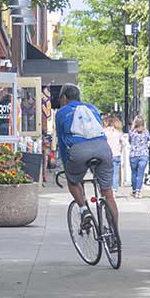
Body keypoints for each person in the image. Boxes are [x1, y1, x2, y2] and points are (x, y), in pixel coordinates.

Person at [55, 85, 119, 236]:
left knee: (73, 181)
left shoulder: (61, 112)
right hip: (103, 148)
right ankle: (114, 234)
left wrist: (67, 167)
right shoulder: (92, 108)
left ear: (64, 98)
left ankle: (84, 210)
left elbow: (62, 142)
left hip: (79, 150)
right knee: (108, 194)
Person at [129, 116, 150, 198]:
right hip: (143, 154)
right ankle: (138, 191)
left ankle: (134, 190)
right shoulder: (146, 132)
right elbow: (149, 142)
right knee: (141, 173)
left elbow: (130, 141)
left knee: (134, 173)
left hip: (133, 154)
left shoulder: (131, 132)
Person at [104, 115, 124, 191]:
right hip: (116, 154)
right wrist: (120, 148)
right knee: (115, 173)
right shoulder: (117, 132)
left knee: (106, 172)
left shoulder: (104, 132)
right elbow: (124, 142)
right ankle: (114, 188)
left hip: (106, 154)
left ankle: (107, 188)